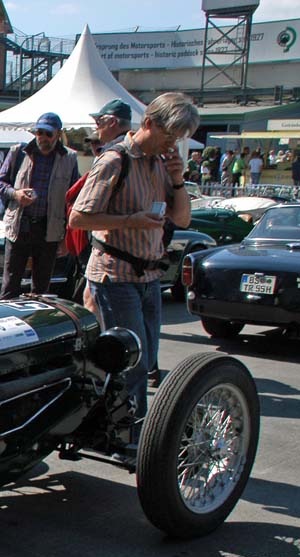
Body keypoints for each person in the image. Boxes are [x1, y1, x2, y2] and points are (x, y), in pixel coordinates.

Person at [69, 91, 198, 422]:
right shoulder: (115, 160)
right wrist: (130, 220)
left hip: (149, 276)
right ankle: (128, 428)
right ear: (149, 123)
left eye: (178, 138)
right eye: (169, 134)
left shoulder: (159, 164)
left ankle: (118, 421)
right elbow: (78, 218)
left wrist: (178, 181)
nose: (172, 143)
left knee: (147, 357)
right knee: (131, 361)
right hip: (115, 275)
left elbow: (182, 219)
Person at [0, 112, 79, 300]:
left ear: (58, 134)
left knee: (41, 288)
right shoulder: (19, 152)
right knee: (10, 285)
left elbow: (73, 199)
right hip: (19, 225)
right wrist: (16, 194)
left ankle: (35, 317)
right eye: (39, 132)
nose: (43, 138)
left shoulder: (69, 158)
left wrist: (67, 236)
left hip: (49, 228)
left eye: (48, 134)